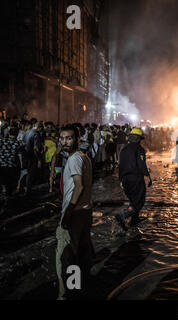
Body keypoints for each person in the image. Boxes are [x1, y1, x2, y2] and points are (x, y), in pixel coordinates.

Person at [55, 125, 94, 299]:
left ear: (77, 139)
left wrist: (68, 212)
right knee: (79, 252)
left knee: (65, 254)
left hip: (75, 212)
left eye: (69, 138)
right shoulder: (84, 157)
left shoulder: (74, 160)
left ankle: (65, 293)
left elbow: (79, 186)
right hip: (85, 211)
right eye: (62, 138)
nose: (65, 142)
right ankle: (79, 286)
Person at [116, 128, 152, 230]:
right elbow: (141, 165)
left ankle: (134, 220)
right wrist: (148, 177)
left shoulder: (123, 150)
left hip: (125, 179)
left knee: (133, 200)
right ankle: (123, 216)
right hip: (135, 179)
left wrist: (120, 180)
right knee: (139, 200)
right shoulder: (140, 149)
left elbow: (120, 166)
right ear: (138, 139)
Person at [22, 119, 43, 195]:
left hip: (25, 155)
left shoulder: (26, 132)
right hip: (32, 156)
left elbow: (23, 143)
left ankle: (24, 188)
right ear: (39, 128)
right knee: (30, 174)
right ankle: (28, 191)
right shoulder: (36, 134)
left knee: (26, 172)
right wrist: (39, 159)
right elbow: (36, 148)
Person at [0, 127, 23, 197]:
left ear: (9, 133)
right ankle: (8, 199)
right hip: (11, 165)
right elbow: (20, 156)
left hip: (1, 164)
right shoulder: (17, 143)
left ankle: (3, 194)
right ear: (17, 134)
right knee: (9, 183)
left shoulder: (1, 141)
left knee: (3, 181)